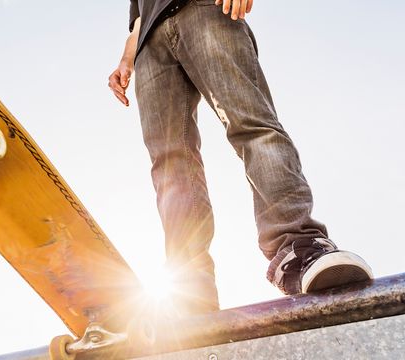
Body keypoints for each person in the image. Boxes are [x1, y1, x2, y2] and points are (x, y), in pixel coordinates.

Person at [108, 0, 373, 313]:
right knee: (170, 167)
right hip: (149, 46)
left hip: (205, 9)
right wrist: (128, 57)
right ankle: (190, 291)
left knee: (251, 125)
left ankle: (297, 249)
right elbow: (138, 15)